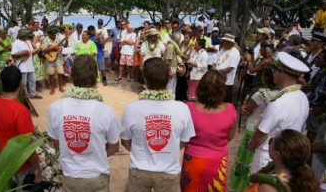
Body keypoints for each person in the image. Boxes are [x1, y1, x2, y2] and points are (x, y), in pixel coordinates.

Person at [47, 55, 121, 192]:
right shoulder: (106, 111)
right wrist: (95, 152)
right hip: (97, 178)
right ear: (96, 77)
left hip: (70, 178)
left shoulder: (55, 108)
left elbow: (57, 144)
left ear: (72, 77)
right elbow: (114, 147)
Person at [121, 58, 195, 192]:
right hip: (168, 171)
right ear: (168, 78)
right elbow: (184, 141)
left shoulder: (132, 108)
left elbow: (125, 141)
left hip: (139, 170)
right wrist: (167, 150)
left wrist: (142, 151)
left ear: (145, 80)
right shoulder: (182, 108)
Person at [247, 52, 310, 173]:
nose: (273, 73)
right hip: (287, 156)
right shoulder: (302, 96)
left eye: (274, 70)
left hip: (268, 156)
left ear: (281, 73)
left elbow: (261, 133)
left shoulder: (278, 103)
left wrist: (251, 145)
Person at [181, 70, 237, 191]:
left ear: (200, 87)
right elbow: (230, 136)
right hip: (217, 162)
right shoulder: (231, 110)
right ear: (222, 90)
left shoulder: (189, 108)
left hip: (193, 161)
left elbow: (183, 136)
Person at [0, 66, 42, 185]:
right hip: (22, 164)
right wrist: (37, 167)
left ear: (2, 83)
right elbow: (28, 143)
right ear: (21, 83)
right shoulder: (20, 111)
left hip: (5, 161)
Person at [229, 68, 278, 192]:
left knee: (246, 161)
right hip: (267, 133)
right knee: (252, 162)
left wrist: (244, 108)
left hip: (253, 130)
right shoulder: (279, 94)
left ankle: (242, 186)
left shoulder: (260, 94)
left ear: (265, 77)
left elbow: (246, 110)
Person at [244, 129, 320, 192]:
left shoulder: (269, 188)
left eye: (271, 141)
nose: (269, 144)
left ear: (276, 154)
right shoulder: (299, 177)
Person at [307, 49, 326, 141]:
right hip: (312, 108)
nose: (316, 59)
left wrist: (321, 110)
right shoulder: (322, 71)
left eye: (319, 58)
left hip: (317, 112)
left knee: (311, 134)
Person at [11, 28, 40, 99]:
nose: (27, 36)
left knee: (32, 81)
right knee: (23, 83)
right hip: (22, 67)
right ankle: (25, 97)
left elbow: (31, 52)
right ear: (22, 35)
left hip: (30, 65)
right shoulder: (16, 43)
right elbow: (13, 55)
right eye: (26, 34)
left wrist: (37, 50)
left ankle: (33, 94)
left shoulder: (28, 42)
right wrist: (23, 52)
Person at [214, 33, 241, 103]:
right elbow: (215, 61)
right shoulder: (222, 49)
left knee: (224, 103)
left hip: (226, 82)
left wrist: (217, 73)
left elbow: (230, 68)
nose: (222, 43)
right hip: (217, 79)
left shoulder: (235, 52)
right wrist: (213, 71)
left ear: (229, 42)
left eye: (224, 41)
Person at [42, 26, 66, 95]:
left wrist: (66, 39)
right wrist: (52, 48)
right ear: (49, 34)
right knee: (51, 74)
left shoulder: (59, 38)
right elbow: (44, 50)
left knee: (60, 73)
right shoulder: (45, 40)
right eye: (51, 34)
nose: (52, 35)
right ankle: (52, 89)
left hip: (59, 59)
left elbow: (65, 45)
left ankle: (60, 87)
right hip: (50, 59)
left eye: (54, 34)